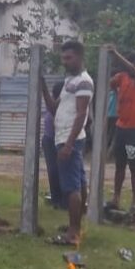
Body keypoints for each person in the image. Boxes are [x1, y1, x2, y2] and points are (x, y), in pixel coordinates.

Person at [41, 40, 94, 247]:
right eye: (63, 58)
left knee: (71, 187)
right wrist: (44, 87)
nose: (65, 62)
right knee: (78, 184)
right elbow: (55, 109)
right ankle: (76, 226)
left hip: (69, 139)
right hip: (62, 137)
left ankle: (73, 234)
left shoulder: (84, 82)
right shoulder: (69, 81)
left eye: (69, 58)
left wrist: (69, 144)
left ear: (80, 57)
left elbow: (82, 114)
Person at [106, 47, 135, 217]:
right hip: (121, 126)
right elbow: (110, 82)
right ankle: (116, 198)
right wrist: (115, 85)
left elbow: (132, 70)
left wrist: (116, 55)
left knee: (134, 167)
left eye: (131, 65)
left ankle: (134, 203)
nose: (128, 68)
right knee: (119, 165)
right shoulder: (122, 77)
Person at [41, 82, 65, 209]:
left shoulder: (64, 106)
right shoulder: (53, 106)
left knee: (62, 170)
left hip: (60, 140)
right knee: (53, 170)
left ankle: (62, 198)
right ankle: (57, 199)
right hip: (50, 140)